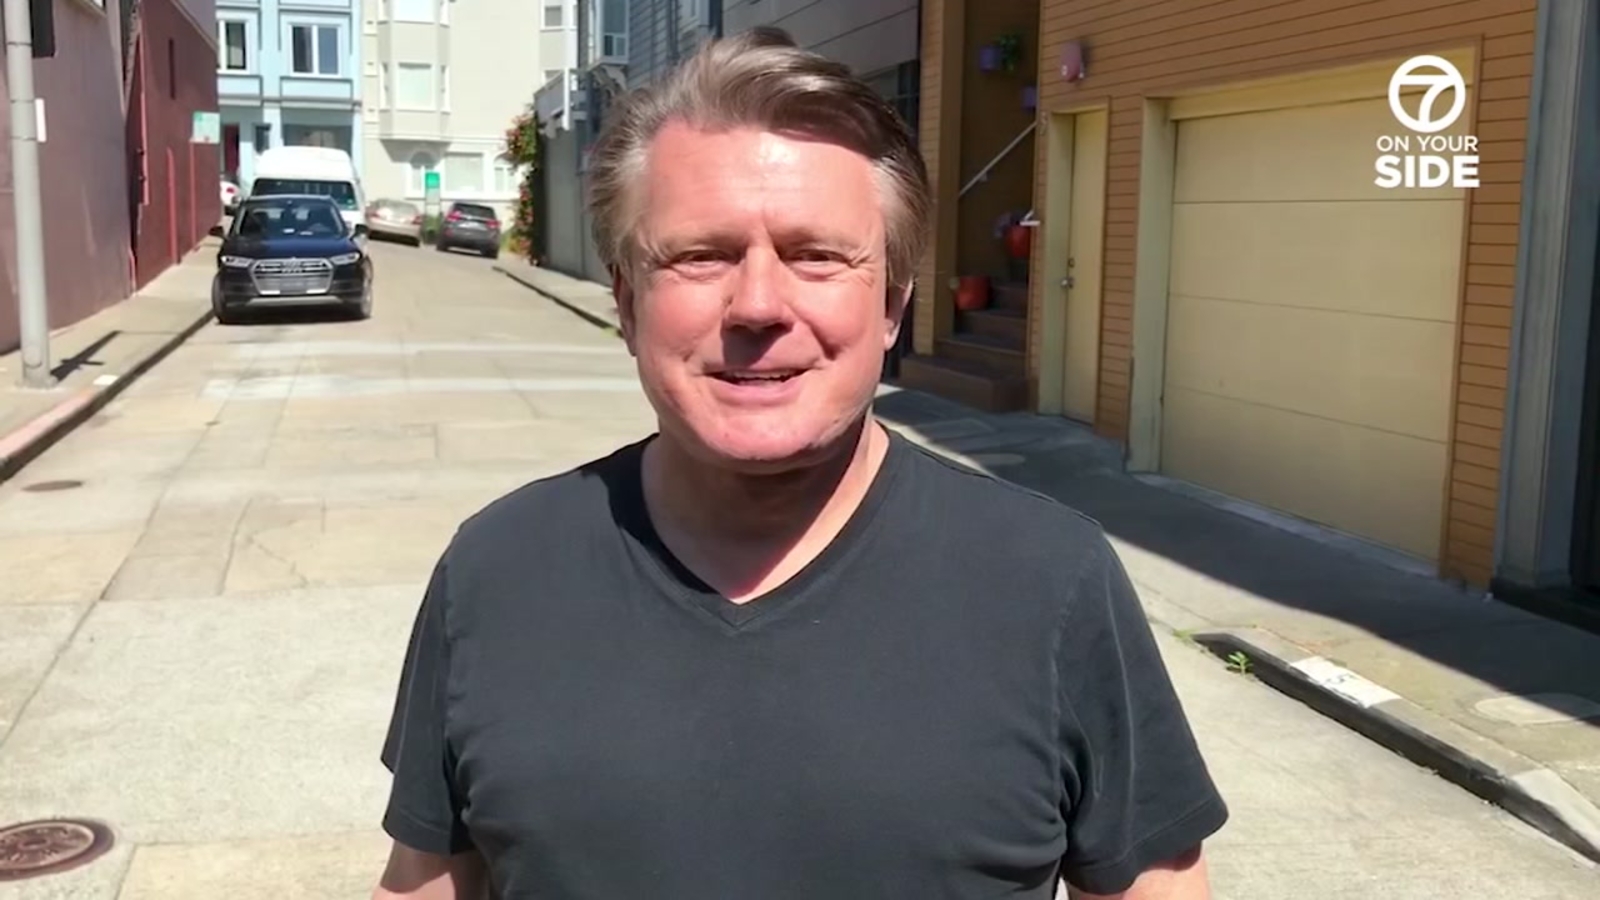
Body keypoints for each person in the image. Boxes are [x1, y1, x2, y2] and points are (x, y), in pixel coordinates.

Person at [373, 27, 1227, 900]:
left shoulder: (1049, 582)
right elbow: (423, 883)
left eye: (817, 255)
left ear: (892, 305)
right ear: (626, 303)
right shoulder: (497, 571)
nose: (758, 306)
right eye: (700, 255)